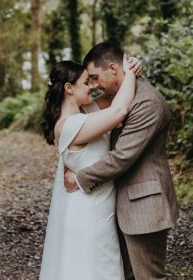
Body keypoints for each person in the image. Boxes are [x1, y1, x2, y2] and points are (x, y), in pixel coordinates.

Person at [64, 41, 179, 280]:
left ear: (114, 69)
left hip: (144, 206)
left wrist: (80, 178)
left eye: (95, 77)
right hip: (120, 203)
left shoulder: (147, 102)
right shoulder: (121, 97)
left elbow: (122, 157)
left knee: (148, 277)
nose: (94, 85)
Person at [39, 54, 142, 280]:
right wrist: (132, 73)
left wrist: (130, 66)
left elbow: (115, 96)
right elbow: (119, 111)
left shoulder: (87, 112)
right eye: (86, 82)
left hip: (98, 207)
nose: (92, 86)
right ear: (69, 88)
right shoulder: (70, 125)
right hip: (88, 214)